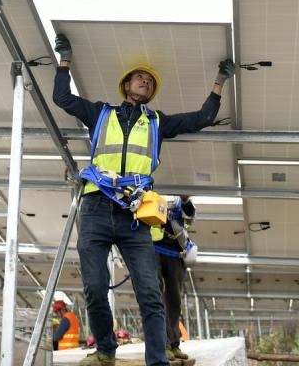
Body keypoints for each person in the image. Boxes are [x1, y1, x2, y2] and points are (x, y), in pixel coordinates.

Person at [52, 33, 234, 366]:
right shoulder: (99, 114)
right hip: (95, 208)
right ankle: (105, 351)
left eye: (150, 81)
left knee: (151, 293)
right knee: (94, 287)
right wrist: (64, 59)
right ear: (126, 85)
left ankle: (157, 361)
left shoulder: (157, 123)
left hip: (134, 216)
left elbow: (201, 118)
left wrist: (220, 81)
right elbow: (61, 97)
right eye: (140, 78)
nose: (145, 82)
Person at [154, 196, 197, 361]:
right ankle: (162, 345)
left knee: (174, 301)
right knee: (156, 299)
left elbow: (190, 218)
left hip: (175, 253)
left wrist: (185, 200)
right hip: (154, 249)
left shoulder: (181, 199)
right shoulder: (149, 188)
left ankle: (174, 344)